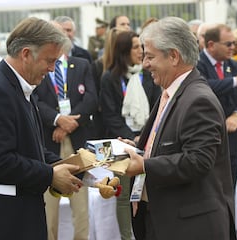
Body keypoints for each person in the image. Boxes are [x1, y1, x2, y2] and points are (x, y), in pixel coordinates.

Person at [0, 17, 83, 240]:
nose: (51, 69)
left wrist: (73, 164)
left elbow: (28, 148)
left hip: (11, 217)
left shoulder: (18, 86)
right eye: (49, 61)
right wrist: (50, 175)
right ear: (26, 54)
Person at [123, 16, 236, 240]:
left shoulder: (197, 99)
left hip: (190, 226)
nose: (145, 64)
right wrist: (138, 148)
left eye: (150, 56)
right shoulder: (172, 92)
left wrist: (144, 165)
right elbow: (171, 144)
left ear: (173, 56)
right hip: (164, 219)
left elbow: (198, 161)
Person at [35, 32, 97, 240]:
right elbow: (34, 100)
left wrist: (69, 123)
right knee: (48, 205)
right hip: (49, 140)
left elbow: (90, 98)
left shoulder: (81, 64)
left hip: (76, 140)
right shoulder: (40, 66)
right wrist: (57, 119)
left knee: (80, 203)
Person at [99, 30, 161, 240]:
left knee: (147, 192)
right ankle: (128, 237)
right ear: (124, 50)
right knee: (124, 195)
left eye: (141, 47)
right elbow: (109, 115)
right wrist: (131, 138)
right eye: (136, 47)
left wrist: (143, 138)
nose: (140, 51)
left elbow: (156, 108)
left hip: (147, 140)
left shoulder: (148, 75)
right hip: (121, 143)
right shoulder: (110, 77)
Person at [196, 24, 237, 188]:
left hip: (232, 136)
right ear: (211, 45)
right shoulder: (197, 64)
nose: (233, 48)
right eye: (228, 44)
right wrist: (236, 81)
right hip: (208, 134)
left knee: (231, 185)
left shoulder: (234, 65)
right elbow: (204, 86)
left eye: (234, 44)